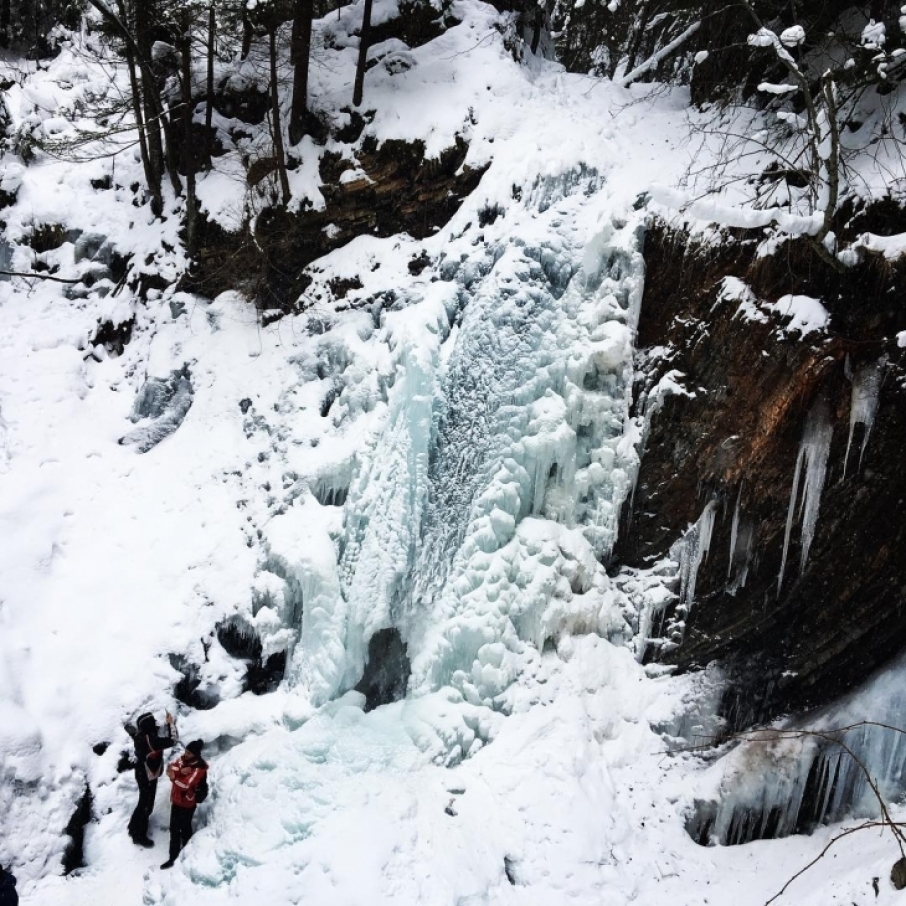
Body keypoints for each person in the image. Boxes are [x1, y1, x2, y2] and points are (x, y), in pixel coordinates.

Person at [127, 710, 177, 847]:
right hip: (147, 775)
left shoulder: (143, 735)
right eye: (153, 721)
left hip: (144, 773)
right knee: (146, 804)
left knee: (144, 802)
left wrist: (167, 724)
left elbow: (160, 733)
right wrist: (171, 724)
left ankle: (133, 827)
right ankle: (139, 835)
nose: (155, 723)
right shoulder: (151, 741)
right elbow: (173, 740)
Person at [160, 739, 208, 870]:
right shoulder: (183, 760)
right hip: (177, 800)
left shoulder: (199, 768)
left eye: (189, 753)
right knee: (175, 829)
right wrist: (180, 772)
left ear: (195, 754)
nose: (185, 754)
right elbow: (171, 767)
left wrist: (174, 777)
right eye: (186, 751)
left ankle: (185, 853)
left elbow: (185, 784)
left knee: (184, 828)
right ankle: (173, 857)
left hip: (187, 803)